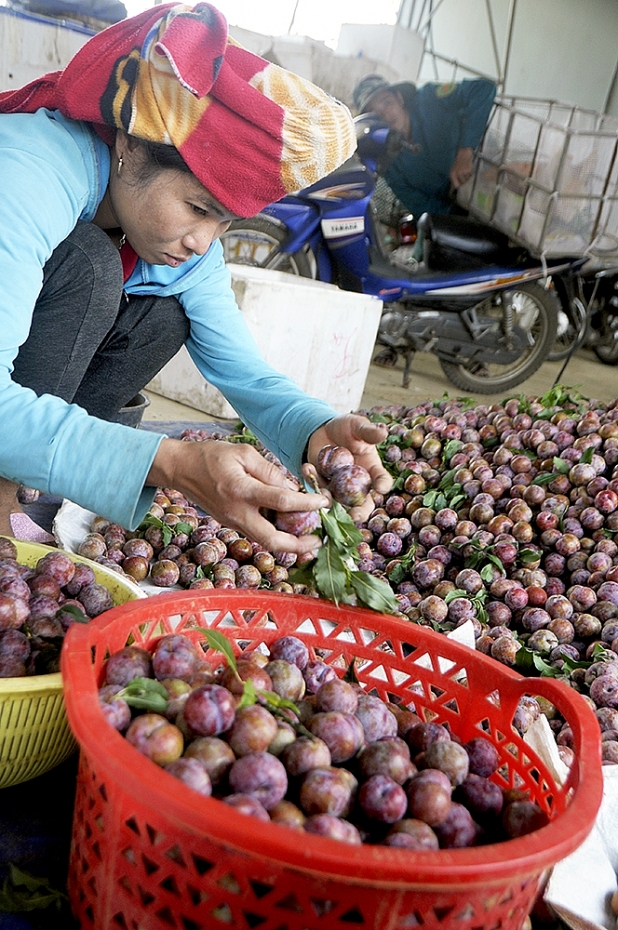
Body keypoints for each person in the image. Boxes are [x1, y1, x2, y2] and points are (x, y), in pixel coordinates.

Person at [0, 2, 392, 555]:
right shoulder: (25, 174)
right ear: (130, 143)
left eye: (224, 222)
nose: (203, 241)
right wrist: (174, 465)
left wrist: (315, 431)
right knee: (89, 265)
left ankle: (32, 485)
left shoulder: (180, 248)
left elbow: (247, 376)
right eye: (197, 207)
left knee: (167, 310)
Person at [352, 73, 497, 222]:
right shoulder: (388, 162)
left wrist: (465, 152)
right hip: (460, 210)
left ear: (399, 98)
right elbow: (422, 207)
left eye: (388, 103)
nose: (385, 115)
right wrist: (461, 220)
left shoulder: (430, 99)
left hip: (485, 170)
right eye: (375, 113)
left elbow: (484, 88)